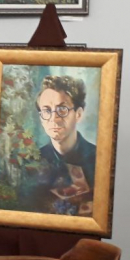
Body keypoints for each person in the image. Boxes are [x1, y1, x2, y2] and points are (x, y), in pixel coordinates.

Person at [33, 75, 96, 215]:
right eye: (46, 111)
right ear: (41, 118)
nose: (54, 119)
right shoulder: (31, 162)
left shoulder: (99, 159)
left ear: (78, 114)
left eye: (62, 109)